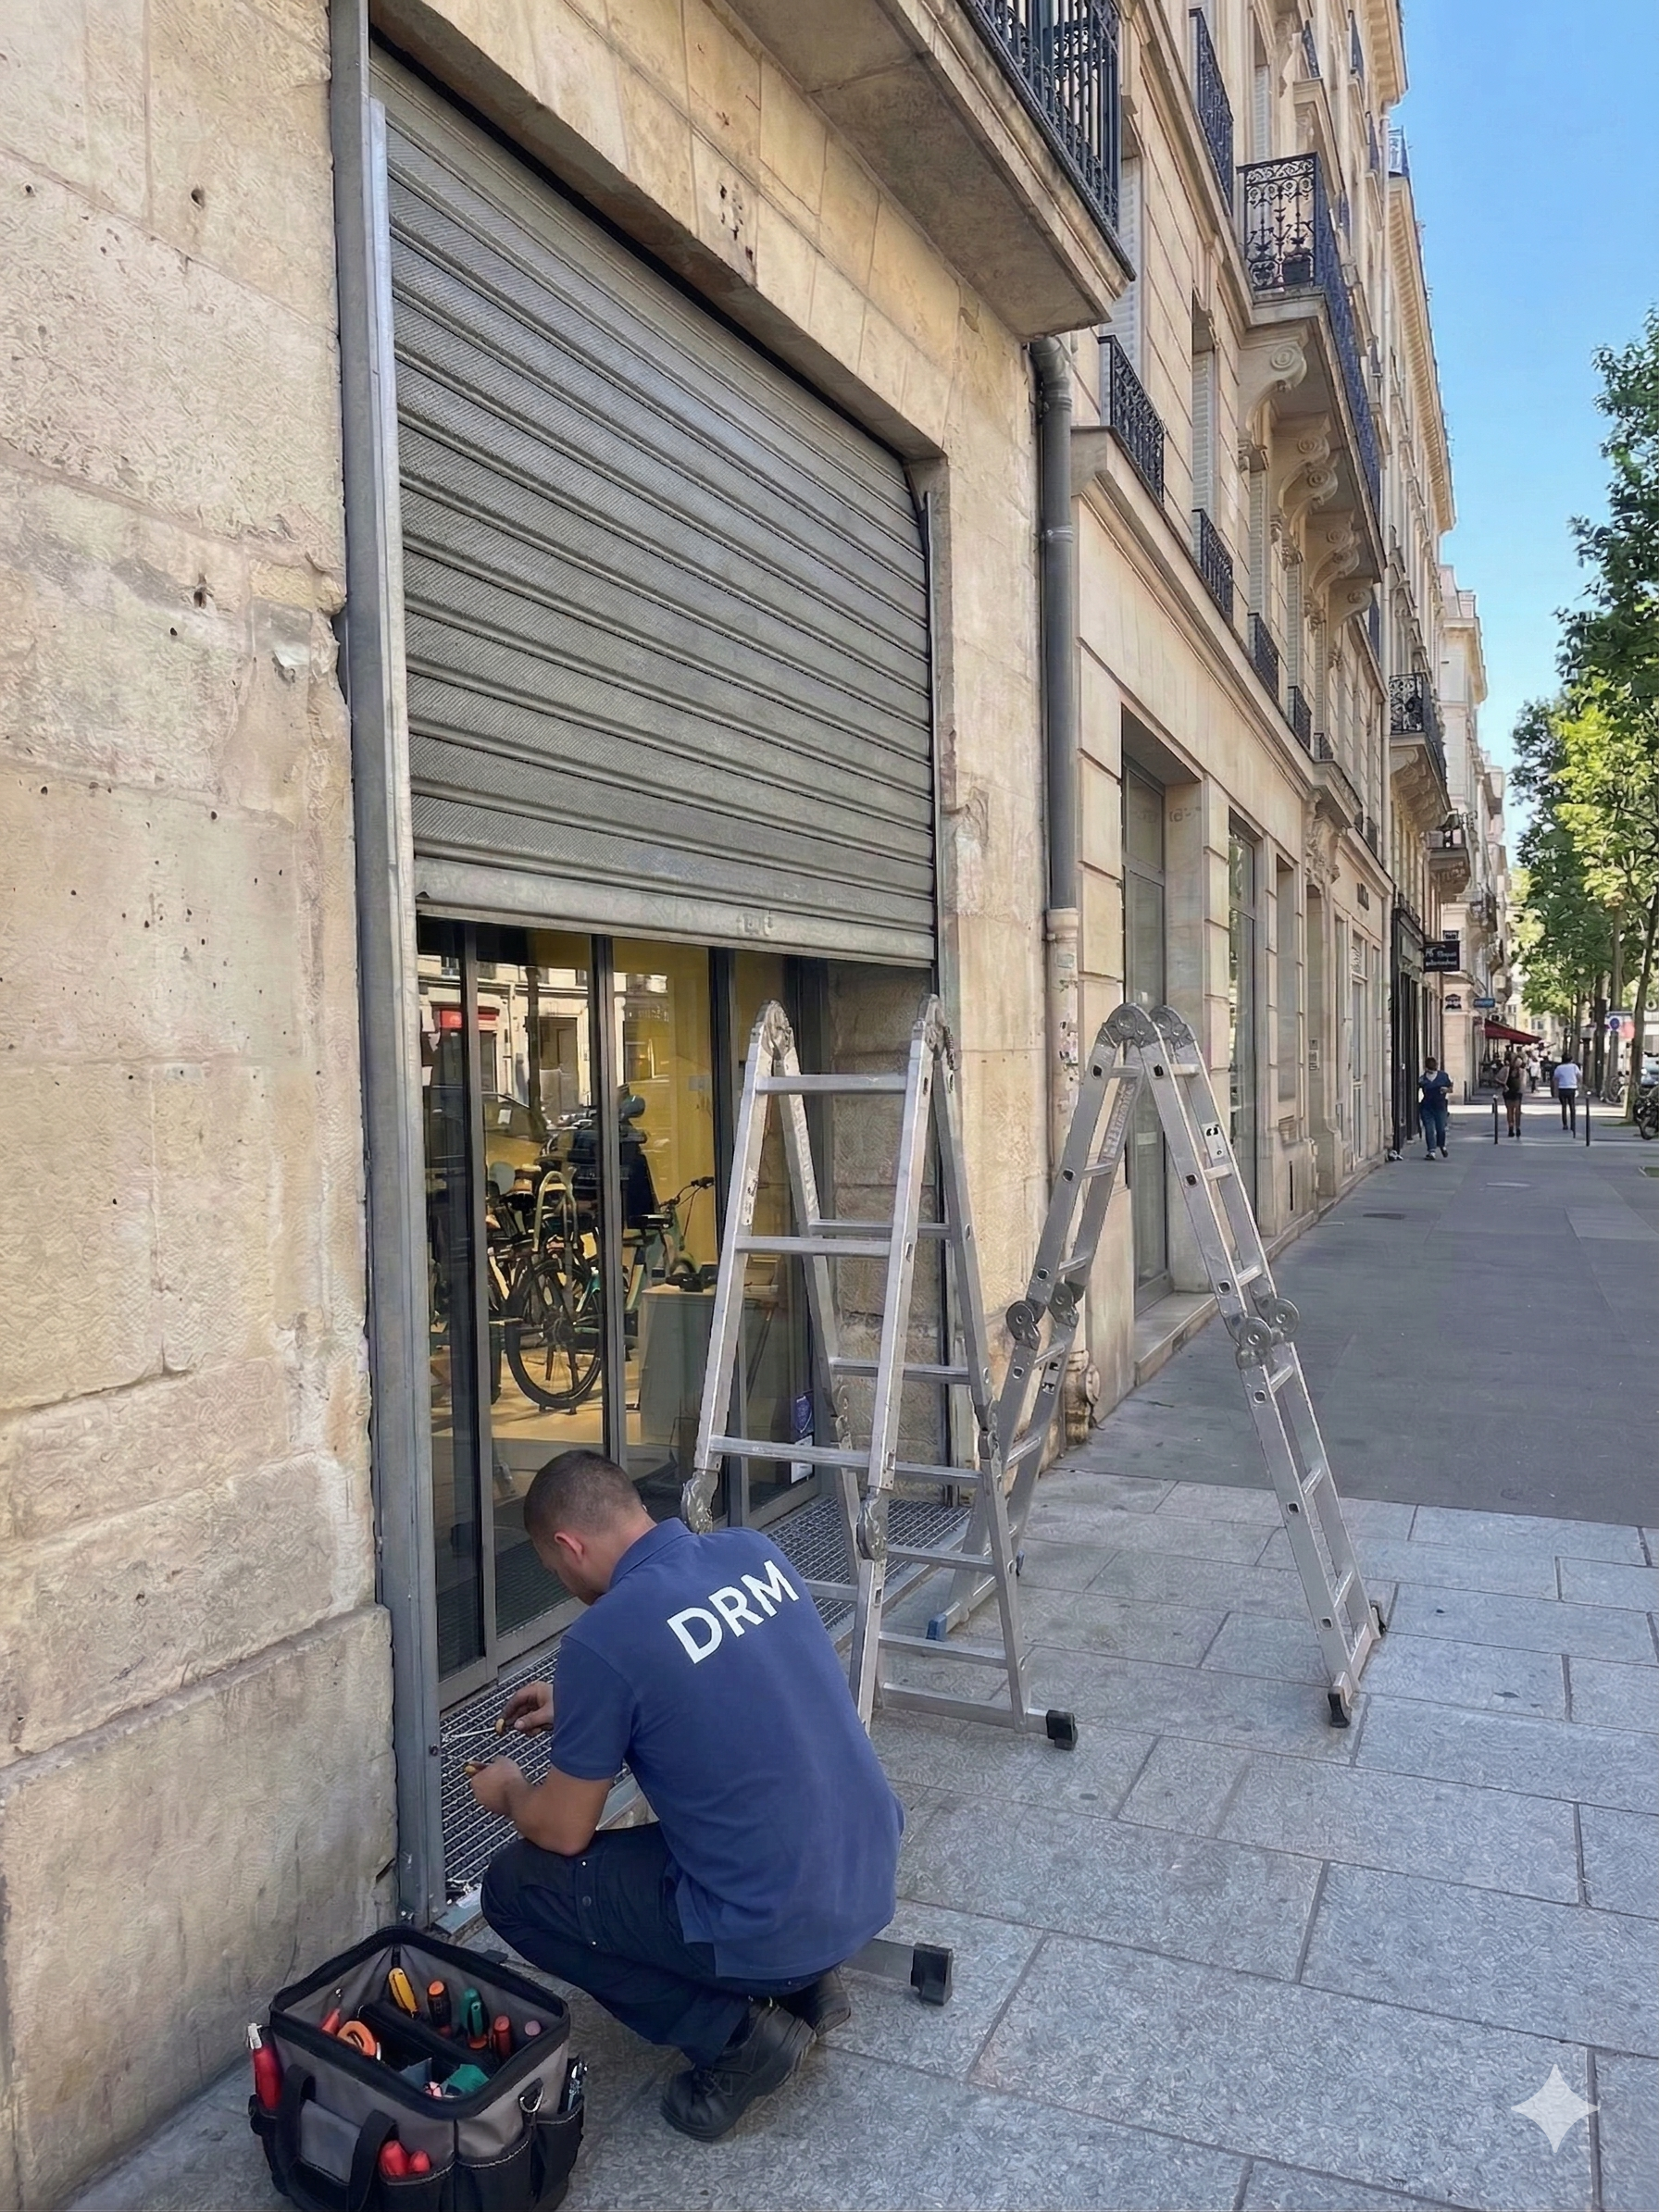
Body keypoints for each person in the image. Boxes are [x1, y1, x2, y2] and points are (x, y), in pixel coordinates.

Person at [468, 1451, 904, 2143]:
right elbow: (721, 1687)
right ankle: (807, 1985)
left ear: (568, 1545)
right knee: (748, 1807)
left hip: (773, 1913)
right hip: (864, 1872)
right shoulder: (751, 1551)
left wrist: (510, 1791)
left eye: (557, 1573)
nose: (567, 1586)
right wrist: (583, 1705)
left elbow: (564, 1831)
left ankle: (737, 2041)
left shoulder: (603, 1638)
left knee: (516, 1889)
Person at [1418, 1056, 1453, 1160]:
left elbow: (1451, 1088)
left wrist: (1446, 1090)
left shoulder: (1443, 1076)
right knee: (1429, 1129)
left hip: (1440, 1106)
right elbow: (1419, 1091)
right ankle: (1431, 1151)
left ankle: (1441, 1145)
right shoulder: (1422, 1079)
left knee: (1440, 1128)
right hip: (1427, 1107)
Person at [1553, 1051, 1580, 1132]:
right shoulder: (1574, 1067)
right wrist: (1579, 1084)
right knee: (1572, 1106)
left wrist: (1555, 1090)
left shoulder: (1559, 1068)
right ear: (1571, 1060)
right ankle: (1573, 1124)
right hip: (1572, 1087)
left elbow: (1555, 1079)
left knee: (1564, 1106)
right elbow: (1579, 1076)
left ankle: (1565, 1124)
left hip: (1562, 1088)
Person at [1503, 1054, 1525, 1138]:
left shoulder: (1522, 1071)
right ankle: (1511, 1128)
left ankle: (1518, 1128)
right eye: (1517, 1062)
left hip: (1517, 1093)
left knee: (1517, 1111)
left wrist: (1522, 1090)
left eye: (1520, 1063)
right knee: (1510, 1111)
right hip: (1508, 1092)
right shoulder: (1507, 1069)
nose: (1518, 1064)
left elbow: (1523, 1082)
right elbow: (1498, 1078)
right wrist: (1504, 1085)